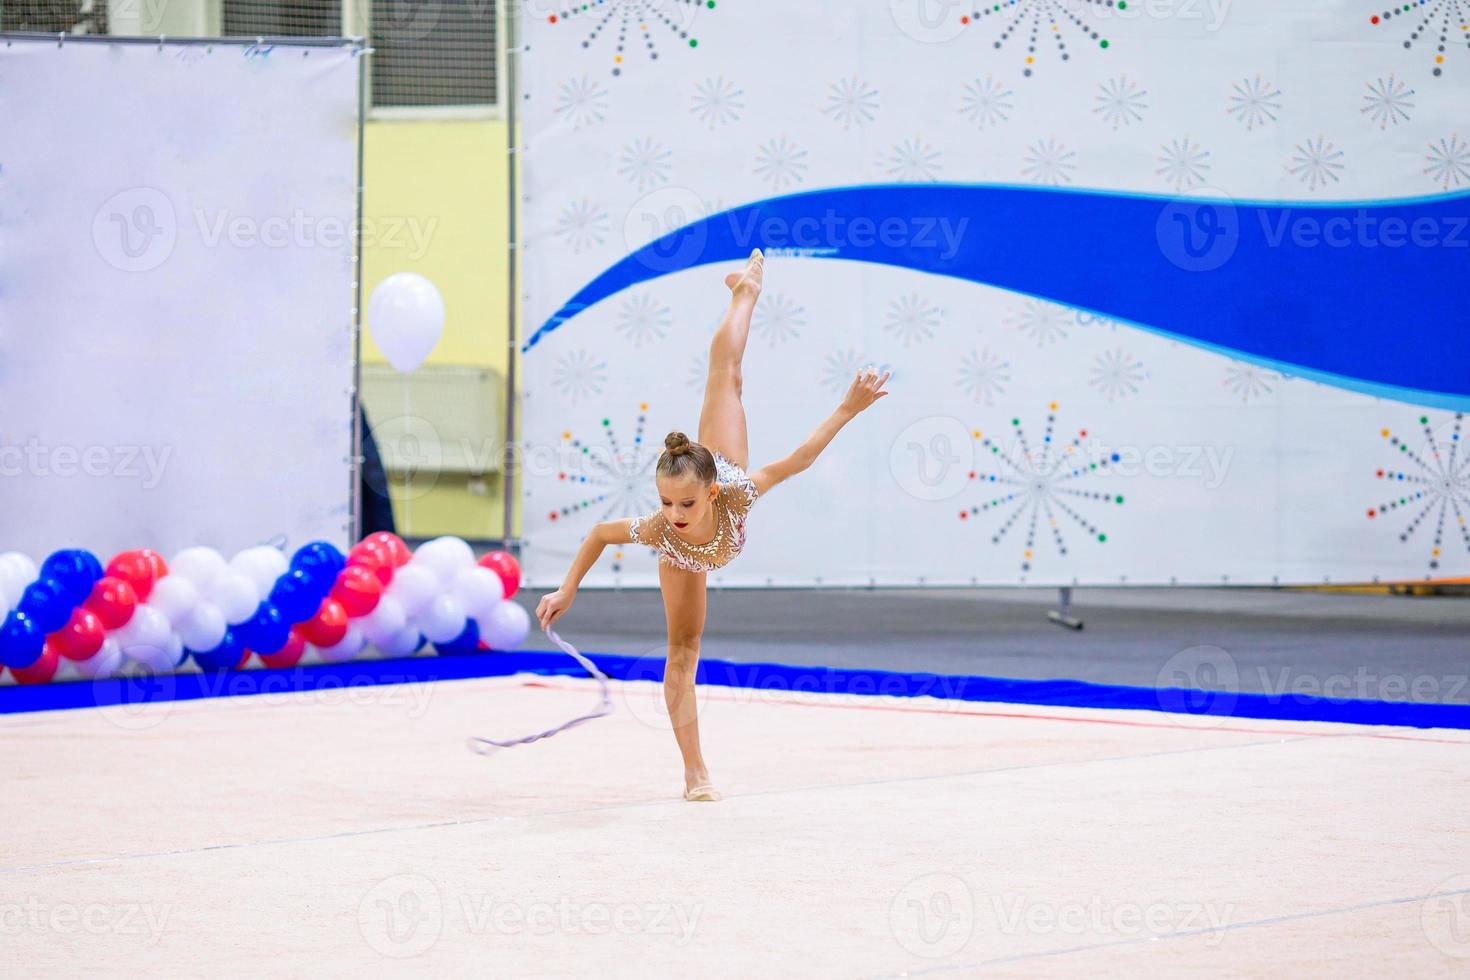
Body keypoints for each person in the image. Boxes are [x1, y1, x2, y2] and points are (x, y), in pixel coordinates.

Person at [535, 249, 892, 801]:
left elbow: (797, 460)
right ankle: (694, 773)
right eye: (666, 503)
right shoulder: (662, 532)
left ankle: (745, 291)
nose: (674, 516)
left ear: (711, 494)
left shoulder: (735, 493)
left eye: (685, 504)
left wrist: (848, 409)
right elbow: (600, 534)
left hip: (720, 456)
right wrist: (568, 587)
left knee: (728, 376)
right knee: (682, 653)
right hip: (686, 565)